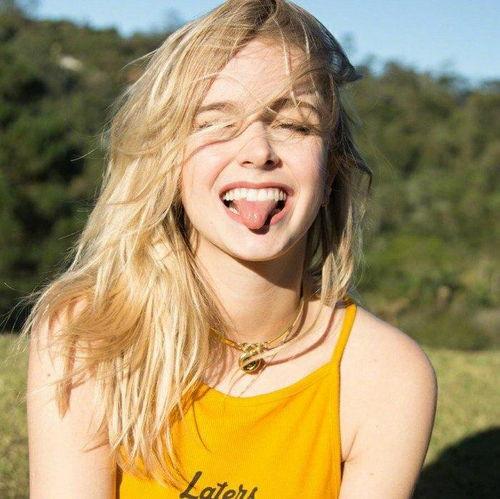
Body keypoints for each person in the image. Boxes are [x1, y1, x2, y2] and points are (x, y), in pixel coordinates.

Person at [23, 1, 437, 497]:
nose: (258, 151)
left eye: (295, 124)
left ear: (331, 170)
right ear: (167, 159)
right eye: (216, 122)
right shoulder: (89, 336)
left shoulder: (388, 375)